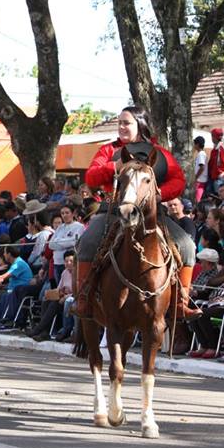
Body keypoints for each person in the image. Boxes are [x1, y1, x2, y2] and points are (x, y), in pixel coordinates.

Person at [75, 105, 200, 320]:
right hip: (113, 210)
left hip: (150, 213)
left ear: (140, 124)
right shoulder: (108, 150)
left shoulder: (159, 153)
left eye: (127, 123)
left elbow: (178, 180)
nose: (121, 127)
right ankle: (83, 300)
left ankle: (181, 303)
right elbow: (91, 178)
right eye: (120, 123)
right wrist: (114, 166)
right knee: (87, 243)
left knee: (187, 246)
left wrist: (160, 193)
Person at [206, 128, 224, 196]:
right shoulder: (216, 147)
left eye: (212, 136)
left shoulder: (221, 148)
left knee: (219, 195)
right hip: (214, 176)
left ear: (214, 137)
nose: (211, 138)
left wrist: (220, 173)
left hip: (218, 177)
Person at [193, 136, 208, 202]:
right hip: (201, 180)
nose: (194, 146)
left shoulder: (201, 154)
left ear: (197, 144)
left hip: (200, 180)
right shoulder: (201, 154)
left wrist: (196, 177)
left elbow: (202, 167)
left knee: (198, 199)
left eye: (194, 144)